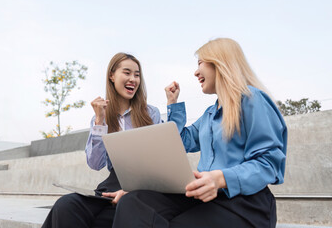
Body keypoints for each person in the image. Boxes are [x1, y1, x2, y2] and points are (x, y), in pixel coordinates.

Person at [111, 38, 287, 228]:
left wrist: (220, 179)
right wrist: (173, 104)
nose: (196, 72)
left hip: (245, 204)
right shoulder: (210, 114)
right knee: (134, 202)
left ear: (220, 63)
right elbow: (180, 142)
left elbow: (269, 164)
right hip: (206, 198)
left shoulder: (253, 100)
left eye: (200, 63)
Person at [42, 52, 161, 228]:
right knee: (66, 205)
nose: (133, 79)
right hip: (111, 186)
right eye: (127, 73)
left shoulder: (150, 113)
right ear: (112, 76)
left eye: (137, 75)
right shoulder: (101, 117)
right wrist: (99, 121)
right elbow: (95, 164)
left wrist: (131, 190)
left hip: (142, 186)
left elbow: (158, 160)